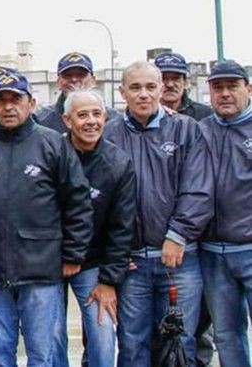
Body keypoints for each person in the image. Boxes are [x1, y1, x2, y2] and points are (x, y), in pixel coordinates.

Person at [0, 70, 93, 366]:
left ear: (31, 102)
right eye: (1, 100)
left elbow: (78, 202)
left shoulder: (54, 144)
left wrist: (73, 253)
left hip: (41, 266)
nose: (8, 106)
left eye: (15, 99)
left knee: (41, 351)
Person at [103, 61, 213, 367]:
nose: (143, 94)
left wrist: (178, 234)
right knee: (131, 344)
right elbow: (99, 198)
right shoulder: (108, 134)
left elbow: (199, 188)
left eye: (151, 87)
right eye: (135, 87)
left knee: (178, 345)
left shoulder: (186, 129)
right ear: (122, 92)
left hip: (178, 260)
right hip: (131, 264)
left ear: (161, 89)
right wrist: (113, 251)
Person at [52, 89, 137, 367]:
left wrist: (109, 280)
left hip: (93, 263)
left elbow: (122, 226)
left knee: (102, 333)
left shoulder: (118, 163)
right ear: (67, 120)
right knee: (52, 335)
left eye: (97, 114)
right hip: (49, 261)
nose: (91, 121)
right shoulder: (50, 153)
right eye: (82, 115)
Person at [197, 60, 252, 367]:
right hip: (212, 254)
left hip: (249, 247)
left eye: (233, 86)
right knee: (226, 334)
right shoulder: (201, 130)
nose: (225, 93)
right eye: (218, 87)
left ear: (248, 89)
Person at [35, 52, 118, 133]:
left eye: (81, 74)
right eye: (67, 75)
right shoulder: (41, 121)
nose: (74, 79)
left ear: (93, 81)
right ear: (58, 82)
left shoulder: (114, 121)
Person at [155, 52, 212, 121]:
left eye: (175, 78)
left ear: (185, 82)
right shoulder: (146, 115)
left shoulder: (204, 115)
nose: (170, 84)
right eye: (163, 78)